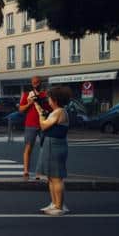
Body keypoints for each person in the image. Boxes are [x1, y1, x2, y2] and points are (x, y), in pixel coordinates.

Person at [35, 85, 73, 215]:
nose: (48, 101)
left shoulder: (59, 112)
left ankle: (59, 206)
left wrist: (40, 115)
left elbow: (44, 126)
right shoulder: (59, 111)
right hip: (53, 144)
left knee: (56, 178)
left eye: (49, 98)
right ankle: (55, 203)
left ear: (55, 100)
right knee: (51, 177)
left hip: (54, 145)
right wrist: (38, 108)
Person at [18, 76, 52, 179]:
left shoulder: (45, 95)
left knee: (45, 148)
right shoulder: (27, 95)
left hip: (43, 123)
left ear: (41, 83)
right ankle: (26, 171)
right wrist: (29, 103)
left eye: (37, 82)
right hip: (30, 124)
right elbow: (20, 110)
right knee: (28, 147)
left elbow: (50, 108)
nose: (35, 84)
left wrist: (43, 102)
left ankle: (42, 171)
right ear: (31, 84)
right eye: (34, 83)